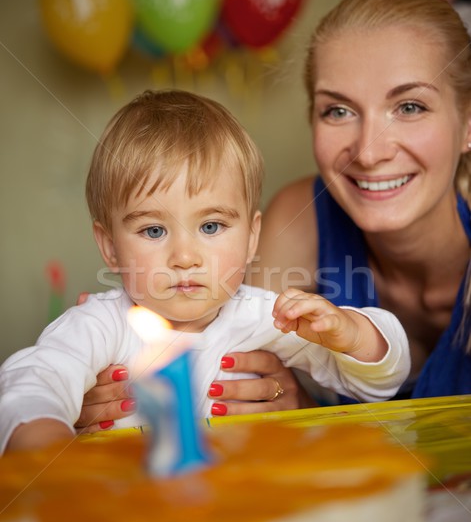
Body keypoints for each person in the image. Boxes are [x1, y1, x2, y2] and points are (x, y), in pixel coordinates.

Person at [76, 0, 471, 430]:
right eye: (338, 111)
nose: (368, 151)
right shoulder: (297, 222)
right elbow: (226, 355)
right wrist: (102, 363)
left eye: (410, 106)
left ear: (468, 122)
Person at [0, 89, 410, 453]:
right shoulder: (99, 326)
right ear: (109, 246)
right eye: (154, 229)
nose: (184, 256)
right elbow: (35, 381)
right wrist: (46, 446)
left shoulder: (266, 318)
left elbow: (377, 384)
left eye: (211, 226)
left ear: (252, 239)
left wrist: (352, 333)